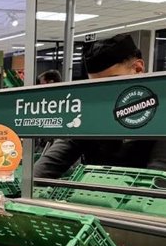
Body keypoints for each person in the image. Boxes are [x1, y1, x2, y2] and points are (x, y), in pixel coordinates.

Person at [34, 34, 166, 178]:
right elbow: (47, 166)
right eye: (97, 85)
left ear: (138, 69)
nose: (105, 93)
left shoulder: (161, 112)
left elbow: (158, 179)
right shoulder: (92, 114)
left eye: (112, 82)